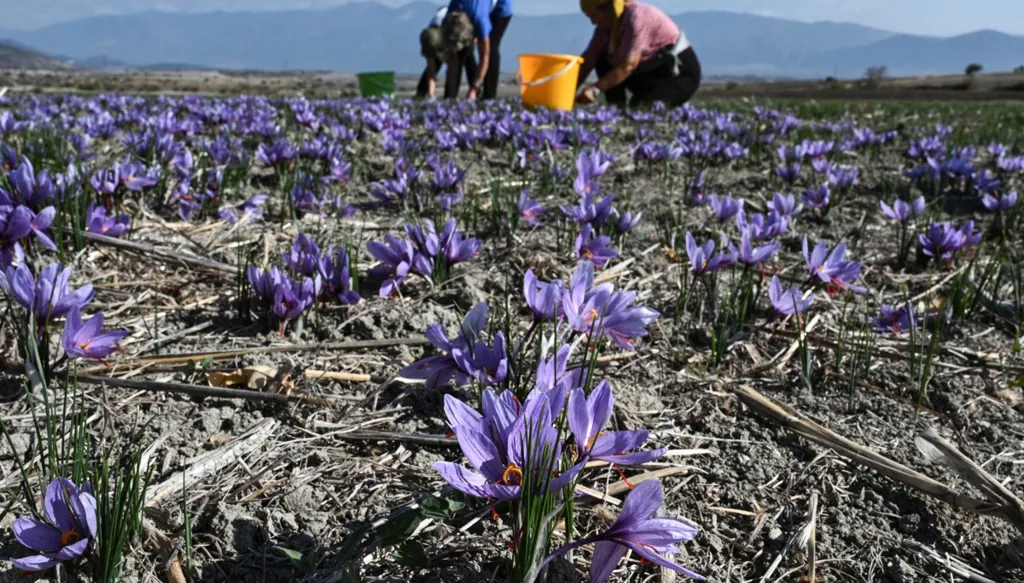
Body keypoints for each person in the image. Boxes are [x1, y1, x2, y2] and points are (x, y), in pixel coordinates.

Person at [575, 0, 701, 108]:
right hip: (649, 71)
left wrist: (596, 89)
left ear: (607, 9)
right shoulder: (605, 28)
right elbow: (588, 59)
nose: (592, 22)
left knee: (640, 109)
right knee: (602, 60)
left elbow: (629, 65)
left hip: (676, 74)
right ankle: (616, 108)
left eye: (594, 15)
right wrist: (568, 91)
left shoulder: (636, 17)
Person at [441, 0, 500, 100]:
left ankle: (487, 96)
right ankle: (450, 97)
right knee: (458, 53)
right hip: (473, 11)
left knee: (492, 49)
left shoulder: (481, 20)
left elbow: (485, 55)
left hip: (499, 7)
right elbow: (447, 48)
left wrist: (474, 88)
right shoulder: (450, 14)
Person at [416, 5, 478, 99]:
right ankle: (422, 92)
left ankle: (467, 92)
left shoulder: (450, 32)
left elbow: (452, 64)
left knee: (465, 58)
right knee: (436, 63)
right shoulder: (429, 38)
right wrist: (431, 94)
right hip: (444, 33)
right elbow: (431, 70)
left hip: (461, 30)